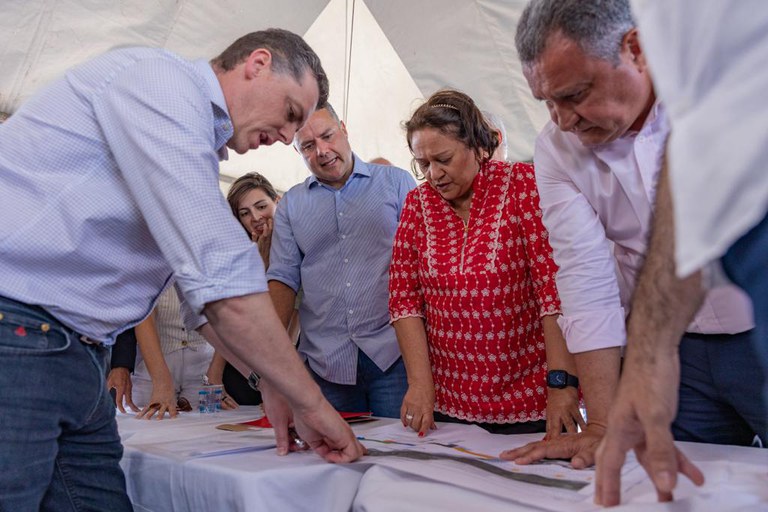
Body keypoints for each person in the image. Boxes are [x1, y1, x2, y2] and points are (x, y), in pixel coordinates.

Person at [0, 28, 364, 510]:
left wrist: (273, 380)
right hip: (20, 335)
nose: (284, 137)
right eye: (290, 114)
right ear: (258, 64)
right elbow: (220, 279)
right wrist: (312, 404)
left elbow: (199, 300)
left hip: (77, 354)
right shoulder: (161, 85)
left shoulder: (186, 138)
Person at [502, 0, 762, 472]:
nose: (563, 120)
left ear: (636, 49)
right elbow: (584, 276)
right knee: (680, 483)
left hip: (757, 322)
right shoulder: (555, 149)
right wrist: (600, 423)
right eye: (547, 102)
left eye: (575, 94)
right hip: (672, 353)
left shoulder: (726, 84)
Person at [595, 0, 768, 506]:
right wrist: (649, 349)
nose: (563, 119)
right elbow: (695, 137)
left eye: (577, 95)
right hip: (725, 283)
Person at [389, 89, 581, 437]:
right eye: (423, 164)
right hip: (448, 402)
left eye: (443, 159)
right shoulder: (416, 205)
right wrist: (419, 384)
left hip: (531, 400)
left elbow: (552, 292)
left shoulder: (522, 185)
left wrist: (561, 385)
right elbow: (404, 301)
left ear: (479, 147)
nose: (434, 174)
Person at [267, 103, 416, 418]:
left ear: (344, 129)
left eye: (327, 135)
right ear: (298, 151)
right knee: (331, 458)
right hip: (324, 363)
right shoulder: (291, 205)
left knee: (398, 457)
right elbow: (282, 279)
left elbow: (422, 265)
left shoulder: (397, 183)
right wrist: (273, 360)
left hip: (393, 355)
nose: (322, 150)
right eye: (308, 146)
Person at [219, 171, 300, 405]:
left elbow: (290, 322)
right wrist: (212, 377)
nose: (255, 217)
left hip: (285, 367)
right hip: (239, 369)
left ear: (277, 202)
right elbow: (227, 325)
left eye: (261, 206)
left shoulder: (297, 247)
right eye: (245, 213)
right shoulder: (238, 257)